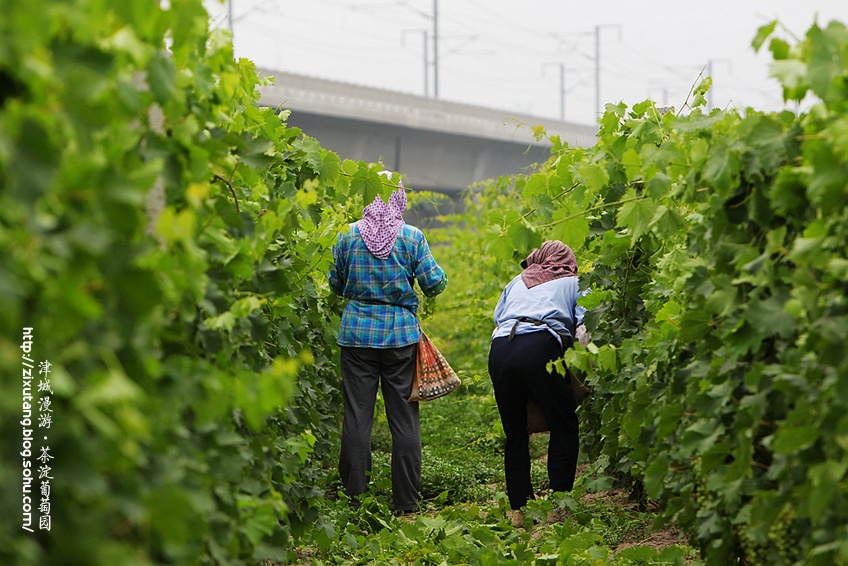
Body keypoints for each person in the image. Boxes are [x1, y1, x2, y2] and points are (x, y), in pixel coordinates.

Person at [328, 172, 447, 514]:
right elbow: (434, 283)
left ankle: (354, 500)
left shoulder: (347, 236)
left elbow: (336, 283)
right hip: (400, 339)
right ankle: (406, 504)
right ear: (397, 197)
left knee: (357, 417)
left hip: (356, 337)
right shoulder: (412, 238)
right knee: (405, 420)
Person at [487, 240, 585, 526]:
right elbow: (585, 326)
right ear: (568, 261)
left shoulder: (516, 281)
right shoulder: (572, 281)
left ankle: (520, 510)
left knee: (515, 432)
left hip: (501, 348)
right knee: (563, 424)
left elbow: (499, 317)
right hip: (539, 345)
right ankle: (559, 504)